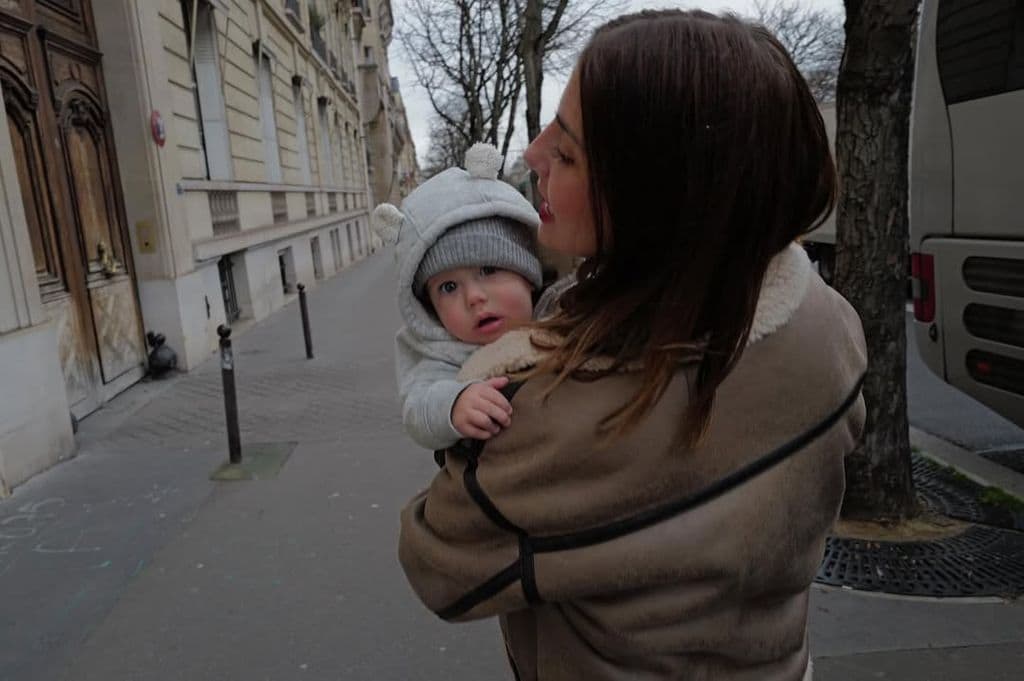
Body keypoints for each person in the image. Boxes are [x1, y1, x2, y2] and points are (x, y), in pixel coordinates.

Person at [398, 9, 867, 681]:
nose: (530, 156)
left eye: (565, 152)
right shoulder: (829, 325)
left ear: (650, 200)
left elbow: (435, 561)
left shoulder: (552, 413)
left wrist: (475, 374)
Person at [371, 143, 545, 451]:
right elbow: (418, 405)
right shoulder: (442, 354)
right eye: (448, 287)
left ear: (528, 273)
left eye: (489, 269)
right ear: (430, 308)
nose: (474, 298)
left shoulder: (567, 313)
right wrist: (452, 404)